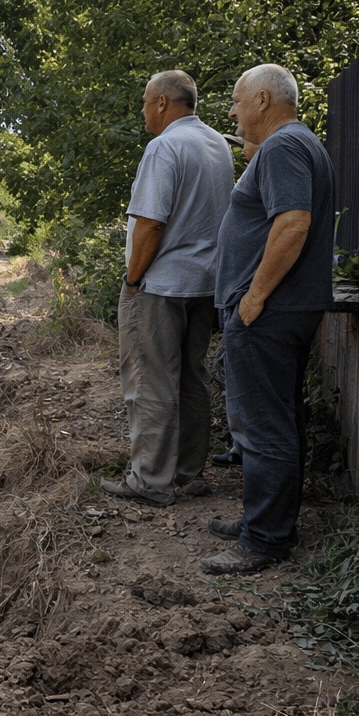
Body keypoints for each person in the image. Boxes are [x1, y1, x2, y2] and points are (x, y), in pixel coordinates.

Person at [200, 63, 334, 574]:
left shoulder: (281, 147)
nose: (232, 112)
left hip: (270, 312)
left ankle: (264, 540)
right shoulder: (299, 144)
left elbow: (293, 222)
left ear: (261, 99)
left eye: (235, 101)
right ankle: (266, 522)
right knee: (277, 420)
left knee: (262, 426)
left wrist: (252, 298)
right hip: (284, 310)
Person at [101, 70, 234, 507]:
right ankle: (188, 475)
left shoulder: (164, 147)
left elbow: (152, 222)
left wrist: (134, 278)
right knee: (193, 378)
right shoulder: (217, 144)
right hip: (205, 284)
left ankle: (151, 481)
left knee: (151, 380)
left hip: (161, 286)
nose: (141, 111)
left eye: (144, 102)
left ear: (162, 103)